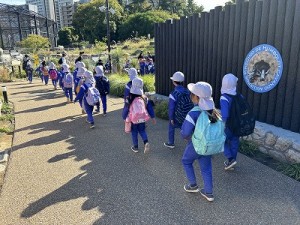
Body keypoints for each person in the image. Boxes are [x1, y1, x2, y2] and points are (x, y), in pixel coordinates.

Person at [181, 81, 219, 202]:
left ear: (196, 97)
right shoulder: (214, 112)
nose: (190, 96)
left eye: (192, 94)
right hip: (209, 146)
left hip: (196, 144)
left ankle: (193, 185)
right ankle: (209, 193)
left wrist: (187, 138)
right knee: (206, 168)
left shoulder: (193, 113)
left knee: (186, 161)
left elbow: (185, 132)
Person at [122, 77, 156, 153]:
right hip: (142, 118)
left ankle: (135, 147)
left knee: (134, 133)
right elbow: (149, 108)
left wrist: (124, 117)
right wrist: (153, 117)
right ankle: (146, 142)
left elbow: (126, 109)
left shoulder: (129, 98)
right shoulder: (144, 98)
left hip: (133, 119)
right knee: (142, 131)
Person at [164, 71, 193, 149]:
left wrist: (171, 118)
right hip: (187, 115)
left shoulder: (173, 93)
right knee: (185, 128)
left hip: (177, 116)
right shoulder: (187, 91)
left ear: (174, 81)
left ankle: (171, 143)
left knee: (171, 126)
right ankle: (192, 143)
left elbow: (171, 108)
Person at [220, 73, 240, 170]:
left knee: (221, 140)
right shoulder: (239, 96)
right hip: (237, 124)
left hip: (228, 125)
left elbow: (225, 114)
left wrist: (222, 125)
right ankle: (232, 161)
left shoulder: (224, 97)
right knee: (234, 142)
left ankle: (230, 159)